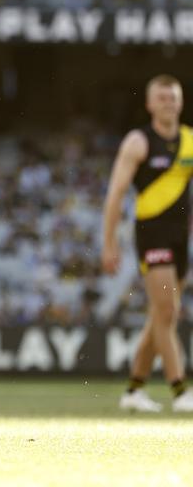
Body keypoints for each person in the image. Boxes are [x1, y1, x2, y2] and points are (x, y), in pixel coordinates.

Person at [102, 75, 193, 413]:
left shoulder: (189, 142)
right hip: (151, 234)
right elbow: (116, 194)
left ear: (181, 102)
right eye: (162, 98)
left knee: (160, 315)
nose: (168, 103)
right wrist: (109, 242)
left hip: (180, 238)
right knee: (167, 312)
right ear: (150, 104)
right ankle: (180, 391)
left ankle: (133, 390)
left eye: (174, 97)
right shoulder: (138, 142)